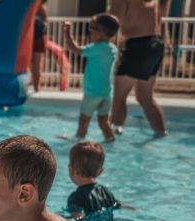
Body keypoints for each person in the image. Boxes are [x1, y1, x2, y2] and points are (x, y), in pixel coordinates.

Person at [109, 0, 169, 137]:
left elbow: (110, 22)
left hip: (137, 45)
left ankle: (112, 136)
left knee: (119, 96)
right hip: (155, 44)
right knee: (145, 97)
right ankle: (161, 133)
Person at [62, 14, 120, 142]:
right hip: (107, 93)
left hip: (92, 93)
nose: (90, 31)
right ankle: (111, 140)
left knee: (84, 121)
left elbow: (74, 48)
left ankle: (79, 143)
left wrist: (67, 32)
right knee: (104, 122)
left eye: (92, 28)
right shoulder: (113, 49)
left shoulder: (96, 48)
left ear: (102, 31)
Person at [67, 141, 127, 221]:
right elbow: (118, 205)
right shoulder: (105, 191)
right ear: (100, 171)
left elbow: (78, 219)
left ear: (71, 169)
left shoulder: (76, 197)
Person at [30, 0, 48, 92]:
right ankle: (36, 86)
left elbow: (43, 24)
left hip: (37, 38)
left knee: (36, 64)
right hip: (33, 38)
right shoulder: (39, 9)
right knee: (34, 64)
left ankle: (36, 87)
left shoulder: (40, 9)